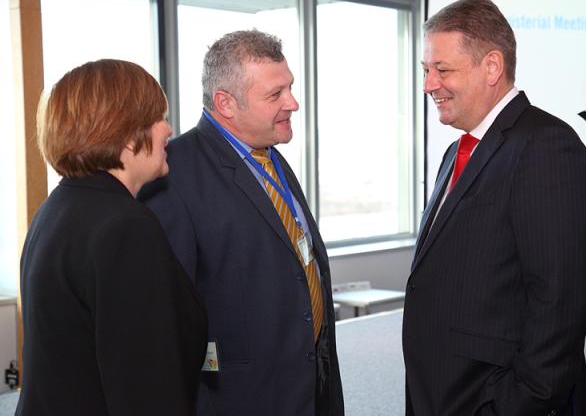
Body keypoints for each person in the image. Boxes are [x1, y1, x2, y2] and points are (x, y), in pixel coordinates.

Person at [402, 0, 586, 416]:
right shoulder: (457, 152)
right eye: (425, 71)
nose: (428, 85)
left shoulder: (546, 146)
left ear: (492, 66)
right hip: (445, 395)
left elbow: (561, 301)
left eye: (442, 70)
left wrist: (514, 405)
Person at [139, 30, 344, 415]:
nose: (293, 103)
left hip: (306, 385)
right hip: (239, 399)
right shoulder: (173, 176)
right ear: (226, 103)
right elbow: (166, 323)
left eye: (290, 88)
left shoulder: (270, 158)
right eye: (275, 95)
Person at [17, 59, 207, 416]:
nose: (167, 129)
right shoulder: (125, 226)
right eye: (158, 117)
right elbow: (146, 387)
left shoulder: (57, 209)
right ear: (125, 132)